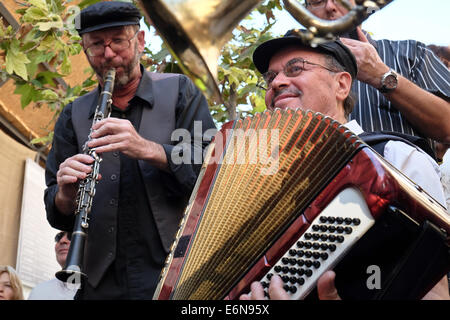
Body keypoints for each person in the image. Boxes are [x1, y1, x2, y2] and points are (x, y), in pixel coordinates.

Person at [240, 29, 449, 300]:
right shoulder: (263, 186)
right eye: (270, 77)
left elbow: (434, 291)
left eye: (295, 69)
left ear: (341, 85)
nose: (276, 82)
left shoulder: (394, 157)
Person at [44, 1, 216, 299]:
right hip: (98, 283)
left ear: (139, 41)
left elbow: (211, 167)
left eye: (118, 41)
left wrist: (149, 149)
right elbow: (56, 210)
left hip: (173, 276)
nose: (108, 54)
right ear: (86, 52)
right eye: (97, 44)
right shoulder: (73, 115)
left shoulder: (181, 91)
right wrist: (65, 195)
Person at [303, 0, 450, 147]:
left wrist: (380, 74)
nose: (330, 7)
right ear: (305, 11)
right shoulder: (284, 70)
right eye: (317, 1)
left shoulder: (413, 53)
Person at [28, 231, 79, 300]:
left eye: (71, 235)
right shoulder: (39, 291)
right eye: (59, 237)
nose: (62, 240)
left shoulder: (97, 290)